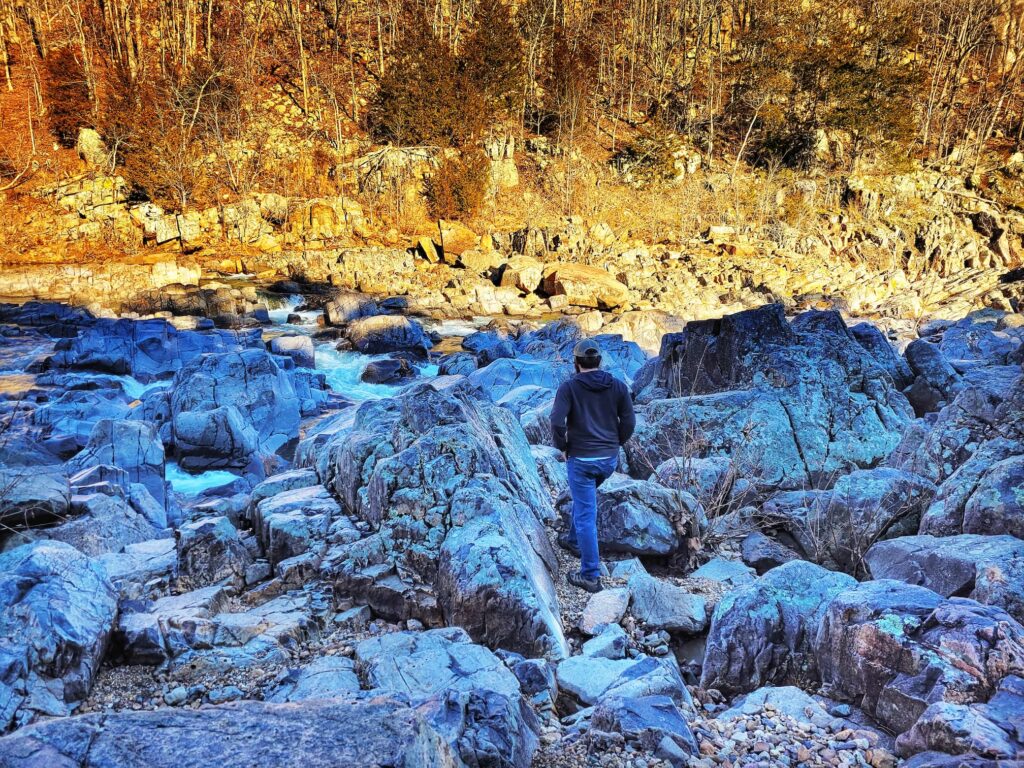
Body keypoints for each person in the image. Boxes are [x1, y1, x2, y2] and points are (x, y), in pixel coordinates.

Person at [550, 339, 636, 592]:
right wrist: (615, 442)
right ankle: (575, 540)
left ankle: (590, 575)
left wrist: (563, 447)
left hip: (582, 459)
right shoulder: (618, 386)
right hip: (608, 460)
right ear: (600, 361)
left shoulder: (568, 388)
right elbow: (629, 421)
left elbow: (556, 421)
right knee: (584, 498)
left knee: (587, 513)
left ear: (576, 364)